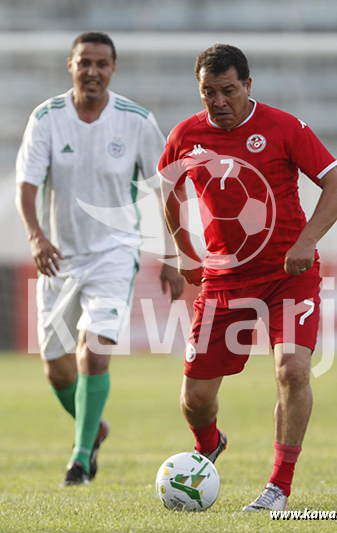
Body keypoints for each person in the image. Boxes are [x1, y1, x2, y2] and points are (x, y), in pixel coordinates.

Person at [158, 44, 337, 510]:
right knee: (195, 398)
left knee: (293, 369)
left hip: (288, 276)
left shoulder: (284, 127)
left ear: (248, 85)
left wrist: (306, 242)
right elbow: (167, 189)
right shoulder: (186, 135)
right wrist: (182, 251)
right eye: (208, 92)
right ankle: (208, 445)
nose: (219, 102)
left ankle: (277, 488)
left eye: (228, 90)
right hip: (224, 281)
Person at [15, 31, 183, 486]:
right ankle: (95, 426)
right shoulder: (46, 118)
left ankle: (81, 456)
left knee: (96, 351)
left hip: (115, 249)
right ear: (70, 65)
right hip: (60, 256)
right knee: (56, 367)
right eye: (84, 62)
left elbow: (160, 190)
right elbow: (27, 185)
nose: (92, 71)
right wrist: (36, 237)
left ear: (113, 69)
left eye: (102, 64)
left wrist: (171, 253)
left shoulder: (136, 121)